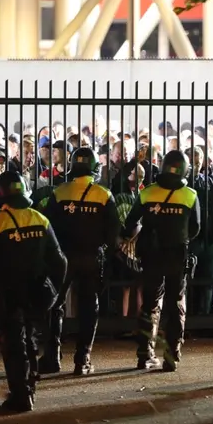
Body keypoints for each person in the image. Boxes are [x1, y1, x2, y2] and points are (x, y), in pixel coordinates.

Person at [0, 169, 67, 412]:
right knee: (30, 338)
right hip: (37, 291)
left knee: (14, 343)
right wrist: (55, 293)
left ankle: (20, 395)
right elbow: (60, 261)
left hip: (9, 293)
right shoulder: (40, 219)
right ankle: (30, 388)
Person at [40, 147, 120, 375]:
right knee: (89, 307)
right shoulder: (104, 195)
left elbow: (49, 228)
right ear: (95, 168)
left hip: (63, 258)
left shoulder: (60, 192)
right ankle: (82, 359)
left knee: (55, 305)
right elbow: (113, 234)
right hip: (91, 258)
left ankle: (52, 357)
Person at [122, 150, 201, 371]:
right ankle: (172, 355)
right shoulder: (190, 195)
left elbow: (130, 223)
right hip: (177, 255)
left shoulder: (147, 193)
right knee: (175, 304)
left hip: (151, 255)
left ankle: (144, 353)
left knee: (149, 304)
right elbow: (195, 229)